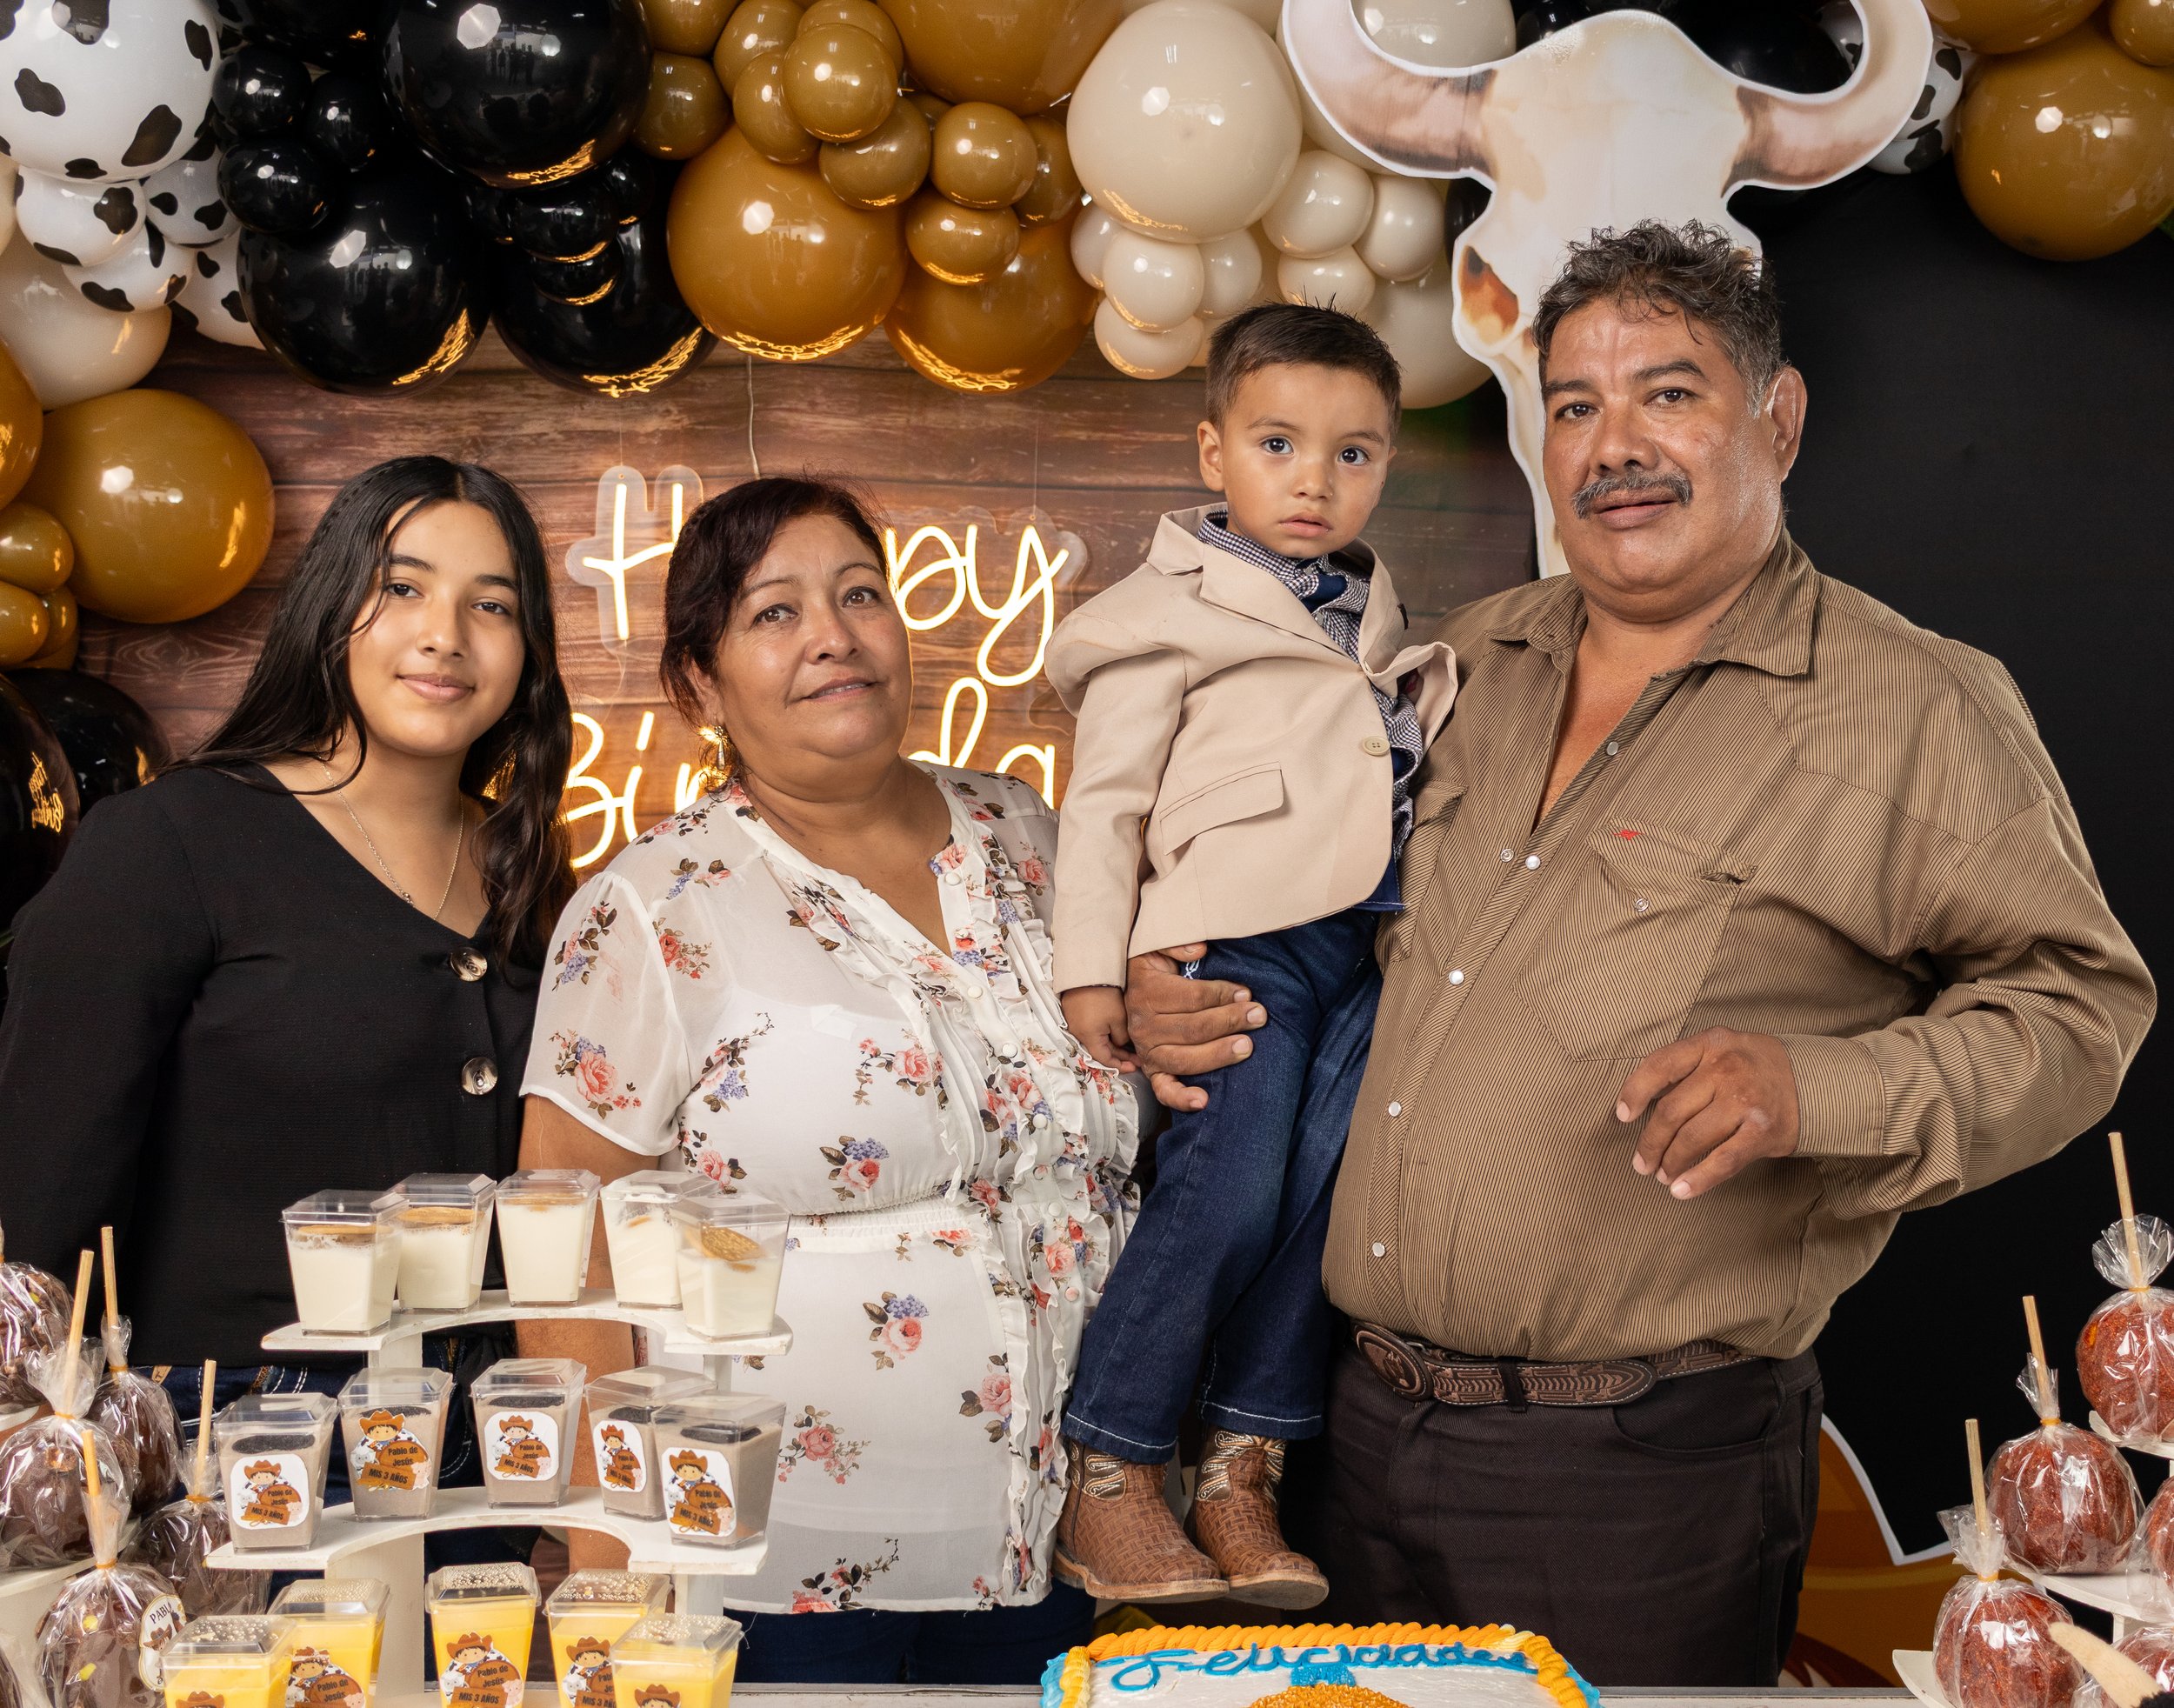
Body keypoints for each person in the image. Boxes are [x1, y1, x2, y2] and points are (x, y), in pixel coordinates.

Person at [1117, 223, 2155, 1685]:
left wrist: (1817, 1090)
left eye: (1670, 394)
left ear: (1778, 419)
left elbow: (2078, 1006)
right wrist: (1173, 967)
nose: (1618, 446)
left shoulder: (1918, 707)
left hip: (1637, 1472)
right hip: (1333, 1433)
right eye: (1577, 404)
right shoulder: (1456, 661)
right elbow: (1291, 889)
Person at [516, 477, 1137, 1684]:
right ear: (700, 683)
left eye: (861, 595)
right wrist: (608, 1567)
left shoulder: (1039, 840)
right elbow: (567, 1246)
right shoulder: (649, 909)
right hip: (779, 1573)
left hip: (1073, 1548)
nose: (833, 637)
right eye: (773, 614)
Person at [0, 455, 574, 1522]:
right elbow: (42, 1193)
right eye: (400, 587)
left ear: (527, 651)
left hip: (467, 1445)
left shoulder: (531, 872)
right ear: (329, 608)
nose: (445, 632)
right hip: (226, 1442)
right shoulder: (170, 841)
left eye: (490, 604)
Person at [1045, 304, 1452, 1608]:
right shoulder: (1163, 612)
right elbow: (1105, 802)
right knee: (1223, 1193)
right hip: (1236, 943)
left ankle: (1241, 1465)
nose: (1316, 481)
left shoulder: (1374, 610)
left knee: (1326, 1205)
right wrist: (1093, 973)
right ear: (1213, 450)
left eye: (1355, 454)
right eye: (1280, 443)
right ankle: (1109, 1471)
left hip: (1365, 946)